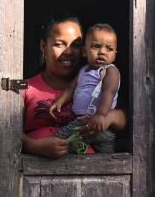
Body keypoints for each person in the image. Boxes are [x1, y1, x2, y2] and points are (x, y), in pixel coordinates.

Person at [23, 15, 125, 159]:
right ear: (43, 46)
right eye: (59, 44)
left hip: (88, 169)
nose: (69, 51)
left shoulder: (96, 82)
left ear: (83, 49)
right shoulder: (26, 88)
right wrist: (33, 146)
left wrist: (106, 117)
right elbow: (7, 129)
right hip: (35, 169)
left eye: (75, 45)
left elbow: (124, 120)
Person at [49, 23, 120, 154]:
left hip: (99, 124)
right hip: (82, 121)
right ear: (84, 51)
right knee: (76, 150)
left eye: (109, 49)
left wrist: (100, 115)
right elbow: (71, 88)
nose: (102, 52)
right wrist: (60, 101)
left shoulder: (110, 71)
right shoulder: (83, 71)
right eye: (96, 46)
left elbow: (108, 92)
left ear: (115, 54)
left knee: (59, 138)